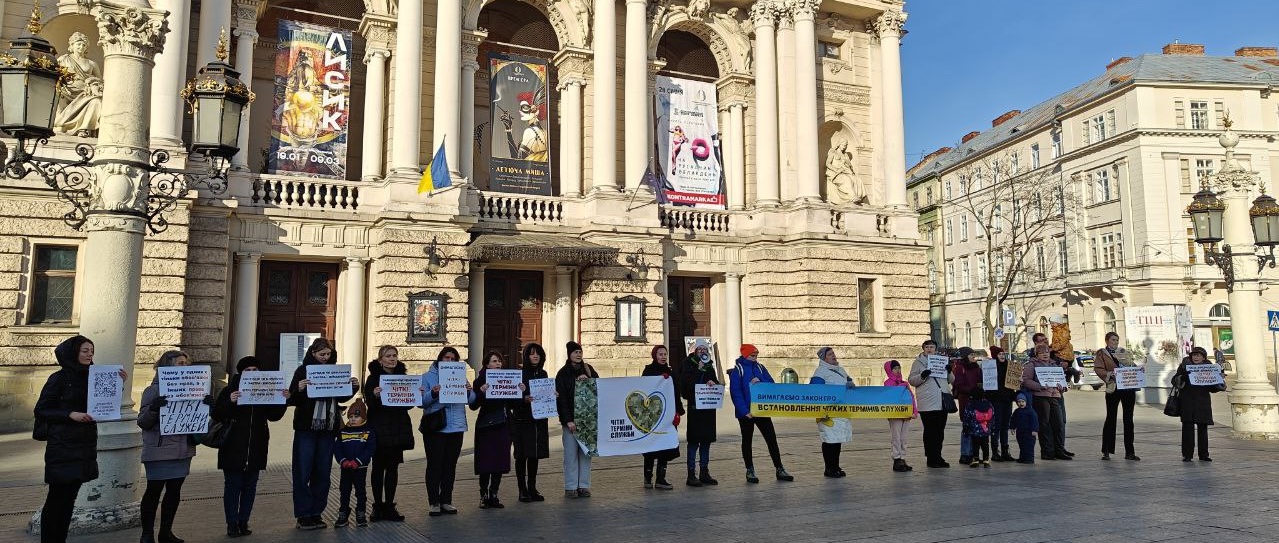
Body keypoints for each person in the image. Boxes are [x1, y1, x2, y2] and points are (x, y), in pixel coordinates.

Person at [36, 336, 117, 543]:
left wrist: (117, 384)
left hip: (84, 445)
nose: (90, 354)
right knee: (56, 500)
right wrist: (69, 414)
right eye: (85, 351)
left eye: (91, 350)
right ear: (73, 353)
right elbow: (42, 409)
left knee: (70, 499)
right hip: (62, 446)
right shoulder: (59, 378)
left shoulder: (95, 377)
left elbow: (103, 405)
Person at [137, 350, 212, 543]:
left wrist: (208, 406)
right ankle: (147, 535)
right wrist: (154, 408)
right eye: (181, 363)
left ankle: (165, 532)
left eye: (187, 363)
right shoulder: (153, 390)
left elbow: (198, 418)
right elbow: (143, 422)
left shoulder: (195, 389)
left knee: (174, 492)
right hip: (159, 449)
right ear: (168, 365)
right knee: (153, 492)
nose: (185, 366)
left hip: (182, 449)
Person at [287, 338, 359, 529]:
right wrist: (299, 389)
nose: (325, 358)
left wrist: (353, 387)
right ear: (313, 354)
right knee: (302, 471)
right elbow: (291, 400)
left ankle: (317, 512)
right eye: (322, 355)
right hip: (306, 429)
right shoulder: (302, 371)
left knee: (323, 472)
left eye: (328, 354)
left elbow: (341, 396)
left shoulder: (335, 371)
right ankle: (303, 514)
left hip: (328, 428)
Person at [214, 356, 288, 538]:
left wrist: (283, 399)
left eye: (255, 370)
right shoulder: (229, 390)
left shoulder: (266, 388)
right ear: (241, 373)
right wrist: (230, 402)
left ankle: (243, 521)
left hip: (257, 446)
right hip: (233, 446)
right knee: (232, 486)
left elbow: (274, 416)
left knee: (250, 486)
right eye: (248, 370)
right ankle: (231, 523)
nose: (252, 373)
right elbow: (218, 414)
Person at [421, 346, 477, 516]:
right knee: (434, 465)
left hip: (456, 426)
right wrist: (433, 393)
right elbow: (421, 402)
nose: (450, 361)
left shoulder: (461, 375)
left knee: (450, 466)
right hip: (436, 427)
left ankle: (446, 500)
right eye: (446, 358)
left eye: (453, 358)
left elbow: (472, 401)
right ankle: (434, 502)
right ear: (440, 359)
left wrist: (469, 391)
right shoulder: (427, 377)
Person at [728, 344, 795, 483]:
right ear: (745, 355)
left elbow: (771, 383)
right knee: (747, 441)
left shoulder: (760, 367)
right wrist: (744, 411)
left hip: (762, 410)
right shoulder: (738, 370)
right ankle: (750, 470)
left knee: (771, 439)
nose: (755, 358)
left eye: (756, 355)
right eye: (753, 355)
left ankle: (779, 468)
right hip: (746, 413)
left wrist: (761, 381)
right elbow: (736, 392)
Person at [364, 345, 414, 521]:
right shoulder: (373, 379)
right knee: (378, 468)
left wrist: (416, 394)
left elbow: (408, 404)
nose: (392, 359)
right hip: (379, 428)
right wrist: (375, 396)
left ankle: (390, 505)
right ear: (380, 360)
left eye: (394, 355)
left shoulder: (403, 377)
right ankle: (377, 506)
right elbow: (370, 404)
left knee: (393, 468)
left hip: (398, 427)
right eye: (388, 356)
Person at [472, 351, 522, 509]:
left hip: (503, 424)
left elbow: (514, 405)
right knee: (486, 461)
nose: (498, 364)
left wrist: (520, 390)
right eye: (494, 361)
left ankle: (494, 494)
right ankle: (483, 495)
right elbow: (474, 405)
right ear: (487, 364)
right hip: (486, 426)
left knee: (499, 461)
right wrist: (481, 391)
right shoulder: (480, 380)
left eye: (499, 361)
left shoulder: (508, 379)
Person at [556, 341, 599, 498]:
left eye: (580, 352)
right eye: (575, 352)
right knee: (570, 456)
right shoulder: (563, 373)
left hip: (588, 421)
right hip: (571, 422)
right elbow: (562, 401)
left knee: (586, 454)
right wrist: (568, 420)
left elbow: (598, 387)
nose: (579, 355)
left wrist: (588, 379)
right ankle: (570, 486)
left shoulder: (589, 369)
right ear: (569, 355)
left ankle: (584, 485)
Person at [510, 343, 550, 502]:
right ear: (526, 356)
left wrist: (552, 395)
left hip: (538, 420)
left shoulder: (543, 373)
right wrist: (523, 398)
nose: (535, 356)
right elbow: (511, 400)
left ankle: (532, 487)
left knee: (534, 455)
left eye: (538, 354)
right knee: (521, 455)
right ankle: (522, 489)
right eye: (532, 354)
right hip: (522, 420)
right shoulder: (519, 374)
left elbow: (546, 394)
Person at [642, 345, 684, 489]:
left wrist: (678, 412)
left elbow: (676, 392)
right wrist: (658, 380)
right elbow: (644, 390)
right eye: (660, 354)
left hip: (668, 416)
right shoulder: (649, 370)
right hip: (652, 417)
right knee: (650, 447)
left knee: (665, 446)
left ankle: (661, 478)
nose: (663, 356)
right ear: (655, 356)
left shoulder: (671, 372)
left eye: (665, 354)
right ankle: (647, 478)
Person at [811, 347, 856, 477]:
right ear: (823, 358)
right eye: (830, 354)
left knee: (837, 439)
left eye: (833, 353)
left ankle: (835, 466)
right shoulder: (820, 372)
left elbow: (847, 380)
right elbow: (816, 390)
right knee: (829, 439)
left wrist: (849, 382)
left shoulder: (840, 370)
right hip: (827, 412)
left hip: (840, 411)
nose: (833, 356)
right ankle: (829, 468)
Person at [681, 340, 721, 486]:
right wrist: (699, 369)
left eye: (705, 349)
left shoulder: (710, 364)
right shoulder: (687, 363)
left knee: (706, 440)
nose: (703, 352)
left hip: (708, 408)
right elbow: (686, 384)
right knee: (693, 442)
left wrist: (713, 383)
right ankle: (691, 474)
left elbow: (715, 381)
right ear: (694, 350)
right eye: (700, 349)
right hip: (695, 408)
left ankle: (704, 471)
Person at [1094, 332, 1139, 461]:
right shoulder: (1102, 353)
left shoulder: (1123, 352)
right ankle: (1106, 450)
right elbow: (1098, 369)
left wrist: (1138, 370)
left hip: (1128, 388)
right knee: (1111, 418)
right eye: (1113, 340)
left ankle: (1129, 452)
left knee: (1129, 419)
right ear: (1107, 340)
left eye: (1117, 340)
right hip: (1113, 388)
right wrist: (1109, 375)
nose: (1116, 342)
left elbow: (1132, 365)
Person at [1174, 347, 1224, 462]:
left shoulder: (1209, 368)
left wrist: (1219, 381)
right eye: (1194, 355)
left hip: (1202, 402)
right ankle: (1187, 454)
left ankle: (1204, 454)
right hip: (1187, 401)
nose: (1196, 357)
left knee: (1202, 428)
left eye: (1198, 355)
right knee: (1187, 428)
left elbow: (1213, 388)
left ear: (1204, 357)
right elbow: (1174, 380)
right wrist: (1184, 376)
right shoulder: (1184, 366)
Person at [908, 339, 952, 468]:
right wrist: (922, 376)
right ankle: (931, 458)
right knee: (930, 431)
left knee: (940, 431)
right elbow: (911, 380)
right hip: (927, 403)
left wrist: (949, 371)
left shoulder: (941, 360)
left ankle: (938, 456)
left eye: (932, 347)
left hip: (941, 401)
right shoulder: (918, 362)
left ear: (935, 349)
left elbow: (951, 380)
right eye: (927, 347)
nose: (929, 349)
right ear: (923, 349)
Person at [1022, 345, 1070, 461]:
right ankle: (1047, 452)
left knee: (1058, 424)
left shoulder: (1054, 365)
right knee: (1045, 425)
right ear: (1036, 354)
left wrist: (1062, 387)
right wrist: (1039, 386)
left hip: (1055, 396)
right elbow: (1025, 380)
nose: (1045, 354)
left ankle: (1059, 450)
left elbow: (1061, 381)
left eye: (1047, 352)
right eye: (1041, 353)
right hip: (1041, 397)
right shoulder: (1031, 364)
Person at [333, 398, 375, 527]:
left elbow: (370, 449)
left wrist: (358, 461)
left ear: (363, 417)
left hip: (360, 468)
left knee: (360, 492)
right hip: (346, 468)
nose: (352, 419)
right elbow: (337, 448)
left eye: (356, 416)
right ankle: (343, 513)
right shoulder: (343, 432)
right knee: (344, 491)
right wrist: (343, 461)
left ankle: (360, 512)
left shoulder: (368, 432)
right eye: (351, 416)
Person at [883, 359, 916, 472]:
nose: (897, 370)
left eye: (898, 368)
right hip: (895, 414)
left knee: (904, 437)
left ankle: (903, 457)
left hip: (906, 414)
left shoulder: (904, 383)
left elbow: (911, 397)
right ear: (889, 370)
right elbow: (888, 398)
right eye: (895, 368)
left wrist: (914, 411)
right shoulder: (888, 383)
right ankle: (896, 459)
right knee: (896, 437)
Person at [951, 347, 983, 465]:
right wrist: (971, 390)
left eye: (974, 354)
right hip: (965, 400)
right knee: (967, 427)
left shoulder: (977, 367)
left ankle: (974, 453)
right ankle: (965, 454)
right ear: (965, 356)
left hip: (976, 399)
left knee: (977, 427)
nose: (973, 356)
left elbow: (981, 380)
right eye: (971, 355)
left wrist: (980, 390)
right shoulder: (960, 368)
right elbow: (958, 384)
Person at [988, 346, 1016, 462]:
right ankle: (995, 452)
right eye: (999, 354)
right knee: (997, 426)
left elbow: (1013, 381)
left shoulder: (1009, 366)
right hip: (996, 399)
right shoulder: (991, 367)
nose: (1002, 356)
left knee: (1005, 426)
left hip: (1007, 399)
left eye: (1003, 354)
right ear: (995, 355)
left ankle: (1005, 451)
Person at [965, 396, 994, 468]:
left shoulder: (971, 404)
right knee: (985, 445)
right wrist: (992, 427)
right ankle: (986, 461)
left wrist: (966, 427)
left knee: (976, 446)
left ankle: (975, 460)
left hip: (975, 430)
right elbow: (993, 415)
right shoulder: (988, 404)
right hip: (985, 429)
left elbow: (967, 416)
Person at [1010, 392, 1039, 464]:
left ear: (1026, 402)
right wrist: (1012, 427)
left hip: (1029, 432)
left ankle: (1029, 459)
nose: (1021, 403)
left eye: (1023, 401)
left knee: (1029, 446)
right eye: (1019, 402)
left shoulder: (1030, 411)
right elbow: (1013, 420)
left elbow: (1034, 421)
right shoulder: (1017, 411)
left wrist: (1034, 430)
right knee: (1022, 445)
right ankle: (1022, 458)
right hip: (1020, 432)